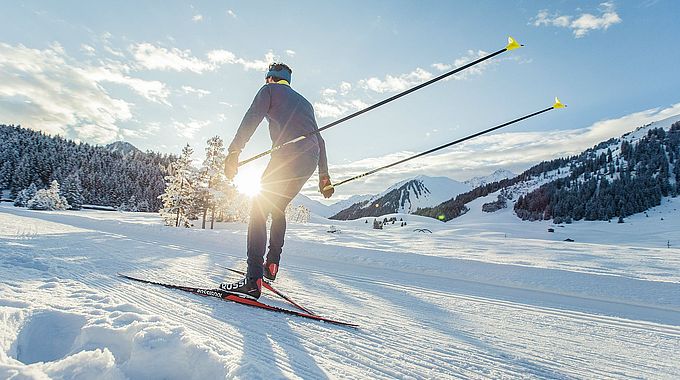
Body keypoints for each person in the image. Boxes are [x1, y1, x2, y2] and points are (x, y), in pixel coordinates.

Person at [220, 63, 334, 300]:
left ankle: (253, 279)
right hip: (309, 160)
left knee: (258, 208)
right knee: (277, 207)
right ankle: (271, 265)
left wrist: (234, 152)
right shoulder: (305, 103)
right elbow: (320, 141)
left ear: (270, 78)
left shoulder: (268, 91)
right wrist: (324, 177)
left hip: (286, 156)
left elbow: (251, 117)